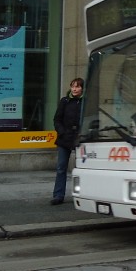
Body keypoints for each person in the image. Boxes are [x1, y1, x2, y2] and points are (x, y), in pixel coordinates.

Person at [51, 77, 83, 205]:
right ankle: (58, 195)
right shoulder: (65, 101)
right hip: (65, 138)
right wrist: (62, 131)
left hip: (79, 139)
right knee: (61, 168)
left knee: (81, 168)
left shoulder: (85, 102)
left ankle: (82, 194)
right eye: (73, 86)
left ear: (82, 88)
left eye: (77, 86)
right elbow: (57, 119)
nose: (74, 89)